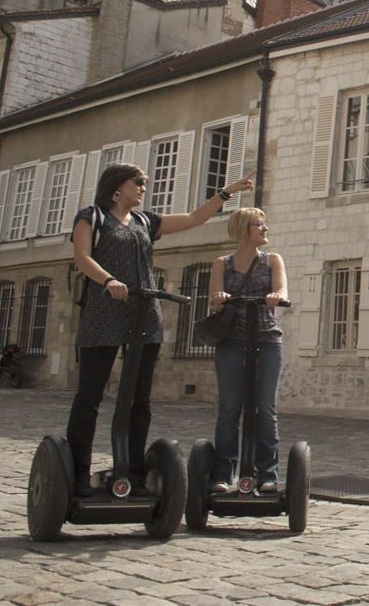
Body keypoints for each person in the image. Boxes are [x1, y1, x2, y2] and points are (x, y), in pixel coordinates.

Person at [67, 162, 256, 497]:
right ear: (117, 186)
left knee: (139, 401)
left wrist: (227, 192)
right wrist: (109, 280)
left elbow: (194, 218)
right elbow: (82, 258)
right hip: (105, 312)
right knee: (89, 398)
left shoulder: (145, 222)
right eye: (137, 182)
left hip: (144, 313)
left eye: (143, 182)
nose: (143, 187)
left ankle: (133, 474)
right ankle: (78, 473)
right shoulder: (92, 218)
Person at [207, 207, 288, 494]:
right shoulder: (222, 264)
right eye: (259, 225)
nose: (265, 229)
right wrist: (218, 298)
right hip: (231, 342)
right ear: (244, 229)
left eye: (264, 225)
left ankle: (267, 474)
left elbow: (282, 291)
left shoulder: (272, 260)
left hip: (266, 341)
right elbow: (213, 302)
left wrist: (275, 295)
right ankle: (222, 474)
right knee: (230, 409)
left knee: (265, 410)